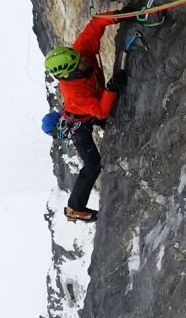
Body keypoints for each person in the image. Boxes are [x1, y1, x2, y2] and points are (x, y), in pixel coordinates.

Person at [43, 12, 128, 223]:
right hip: (80, 124)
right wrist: (111, 89)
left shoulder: (78, 53)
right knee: (93, 165)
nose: (83, 59)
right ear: (69, 72)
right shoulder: (75, 93)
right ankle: (75, 208)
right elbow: (100, 111)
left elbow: (95, 25)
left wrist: (118, 17)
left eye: (78, 57)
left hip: (85, 114)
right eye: (79, 62)